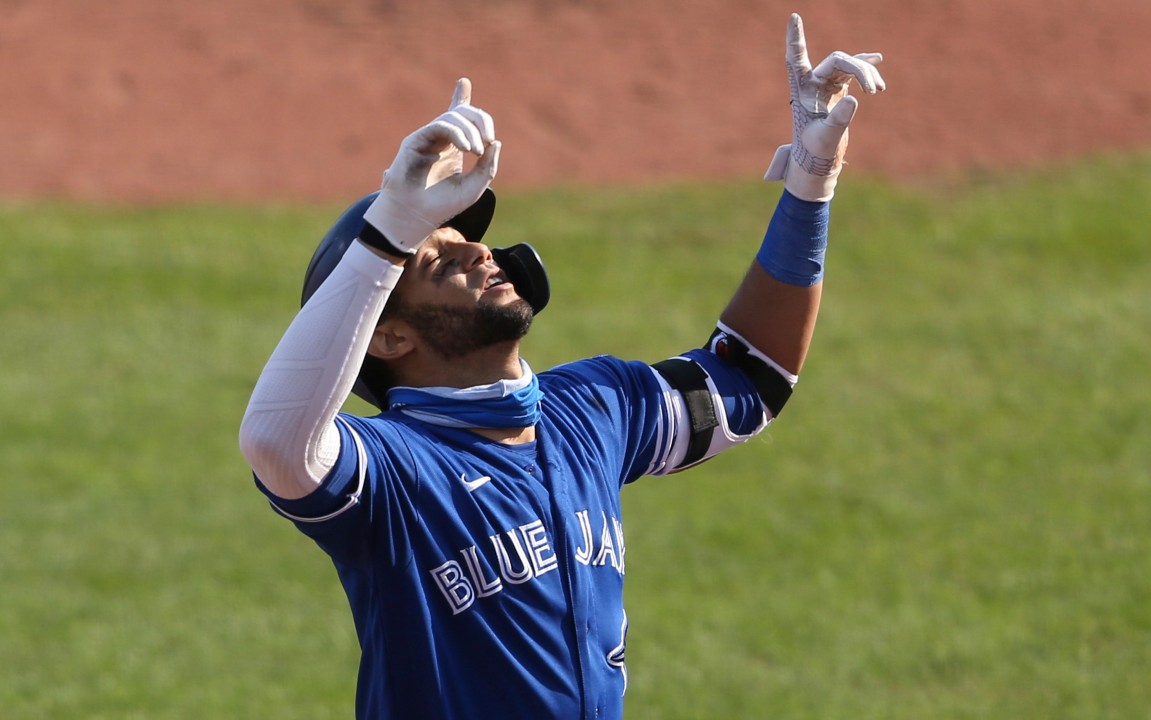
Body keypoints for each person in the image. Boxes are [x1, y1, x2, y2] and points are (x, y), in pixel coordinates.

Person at [239, 13, 885, 720]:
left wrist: (810, 184)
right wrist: (391, 226)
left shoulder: (592, 409)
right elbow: (277, 441)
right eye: (439, 262)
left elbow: (753, 376)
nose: (480, 253)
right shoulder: (392, 473)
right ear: (387, 336)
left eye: (468, 242)